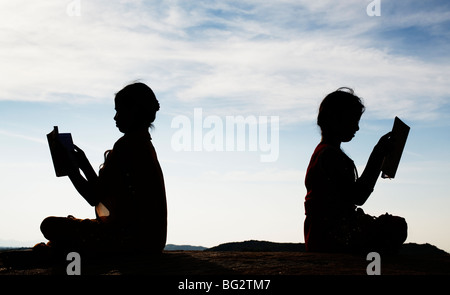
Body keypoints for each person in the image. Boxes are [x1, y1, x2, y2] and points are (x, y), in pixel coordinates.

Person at [38, 82, 167, 256]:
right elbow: (103, 190)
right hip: (151, 240)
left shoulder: (126, 146)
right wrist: (83, 164)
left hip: (130, 240)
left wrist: (71, 170)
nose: (115, 117)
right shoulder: (143, 144)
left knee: (49, 225)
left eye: (119, 111)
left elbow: (93, 197)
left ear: (134, 112)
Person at [304, 87, 407, 254]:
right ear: (336, 120)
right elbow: (358, 196)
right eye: (353, 121)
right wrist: (377, 156)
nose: (357, 128)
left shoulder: (323, 153)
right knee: (396, 227)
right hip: (332, 236)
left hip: (320, 234)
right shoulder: (330, 156)